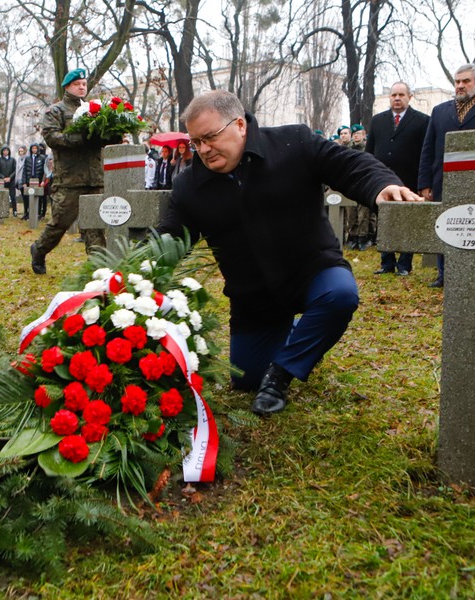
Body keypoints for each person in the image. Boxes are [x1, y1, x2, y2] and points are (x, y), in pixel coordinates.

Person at [158, 90, 422, 416]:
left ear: (240, 124)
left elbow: (349, 164)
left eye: (210, 137)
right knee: (247, 378)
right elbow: (167, 239)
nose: (204, 150)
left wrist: (381, 185)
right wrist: (131, 273)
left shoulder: (292, 142)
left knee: (339, 296)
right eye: (196, 142)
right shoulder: (190, 185)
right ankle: (294, 342)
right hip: (254, 296)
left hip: (311, 270)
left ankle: (281, 375)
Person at [418, 63, 475, 287]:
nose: (460, 86)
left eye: (465, 81)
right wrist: (425, 183)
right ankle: (444, 274)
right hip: (444, 181)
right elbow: (428, 149)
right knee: (446, 225)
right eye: (457, 82)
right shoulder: (440, 111)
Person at [30, 68, 113, 275]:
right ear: (67, 87)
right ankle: (39, 250)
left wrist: (111, 136)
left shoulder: (94, 110)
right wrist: (80, 139)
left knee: (95, 226)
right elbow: (52, 138)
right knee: (60, 223)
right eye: (77, 84)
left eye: (84, 84)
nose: (82, 87)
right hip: (69, 179)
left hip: (94, 178)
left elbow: (100, 137)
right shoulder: (56, 111)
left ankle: (99, 270)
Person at [367, 82, 430, 276]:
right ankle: (386, 263)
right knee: (384, 220)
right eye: (393, 94)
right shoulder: (377, 121)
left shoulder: (422, 121)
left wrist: (423, 184)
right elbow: (369, 152)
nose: (397, 98)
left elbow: (425, 154)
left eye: (401, 94)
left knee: (407, 223)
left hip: (408, 181)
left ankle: (404, 264)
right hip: (383, 181)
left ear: (409, 97)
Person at [22, 143, 46, 220]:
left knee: (38, 198)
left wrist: (43, 181)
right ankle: (29, 213)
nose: (34, 150)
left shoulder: (42, 158)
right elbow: (24, 171)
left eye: (35, 148)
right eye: (33, 148)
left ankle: (38, 213)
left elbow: (45, 171)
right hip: (30, 180)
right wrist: (24, 182)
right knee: (29, 197)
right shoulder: (28, 159)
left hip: (38, 181)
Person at [0, 146, 18, 216]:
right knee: (2, 196)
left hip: (11, 180)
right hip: (1, 181)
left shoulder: (13, 160)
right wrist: (3, 177)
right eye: (4, 151)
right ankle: (3, 210)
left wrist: (10, 177)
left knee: (13, 196)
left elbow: (15, 169)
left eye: (7, 150)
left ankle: (15, 211)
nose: (5, 152)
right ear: (2, 152)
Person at [41, 154, 53, 218]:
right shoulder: (46, 167)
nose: (50, 161)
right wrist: (43, 181)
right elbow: (45, 174)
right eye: (49, 160)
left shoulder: (56, 169)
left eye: (51, 160)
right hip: (49, 184)